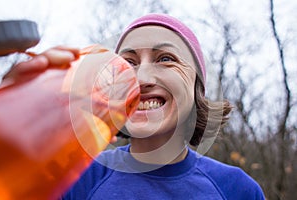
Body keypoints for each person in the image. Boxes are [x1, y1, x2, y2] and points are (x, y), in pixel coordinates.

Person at [60, 14, 265, 199]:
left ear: (196, 88)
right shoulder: (76, 180)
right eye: (128, 63)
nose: (141, 78)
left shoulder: (238, 190)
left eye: (165, 59)